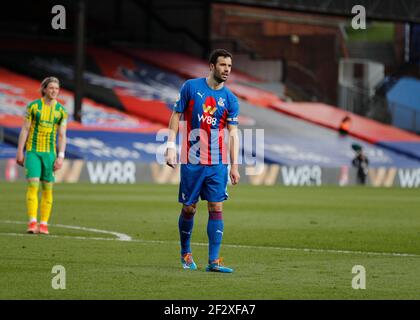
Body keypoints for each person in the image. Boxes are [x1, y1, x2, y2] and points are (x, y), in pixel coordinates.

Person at [165, 49, 240, 273]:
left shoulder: (231, 99)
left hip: (217, 161)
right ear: (211, 66)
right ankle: (185, 253)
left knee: (216, 206)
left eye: (229, 66)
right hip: (192, 159)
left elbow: (233, 133)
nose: (227, 69)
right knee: (189, 208)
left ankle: (214, 261)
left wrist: (235, 165)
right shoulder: (190, 87)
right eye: (223, 65)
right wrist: (170, 146)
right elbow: (176, 115)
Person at [16, 76, 68, 235]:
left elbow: (62, 135)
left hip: (50, 154)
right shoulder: (33, 107)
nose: (54, 91)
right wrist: (20, 151)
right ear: (44, 89)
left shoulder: (61, 111)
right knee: (33, 185)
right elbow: (25, 129)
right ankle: (32, 222)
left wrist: (60, 156)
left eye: (57, 89)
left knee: (47, 189)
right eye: (51, 88)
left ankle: (43, 224)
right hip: (33, 152)